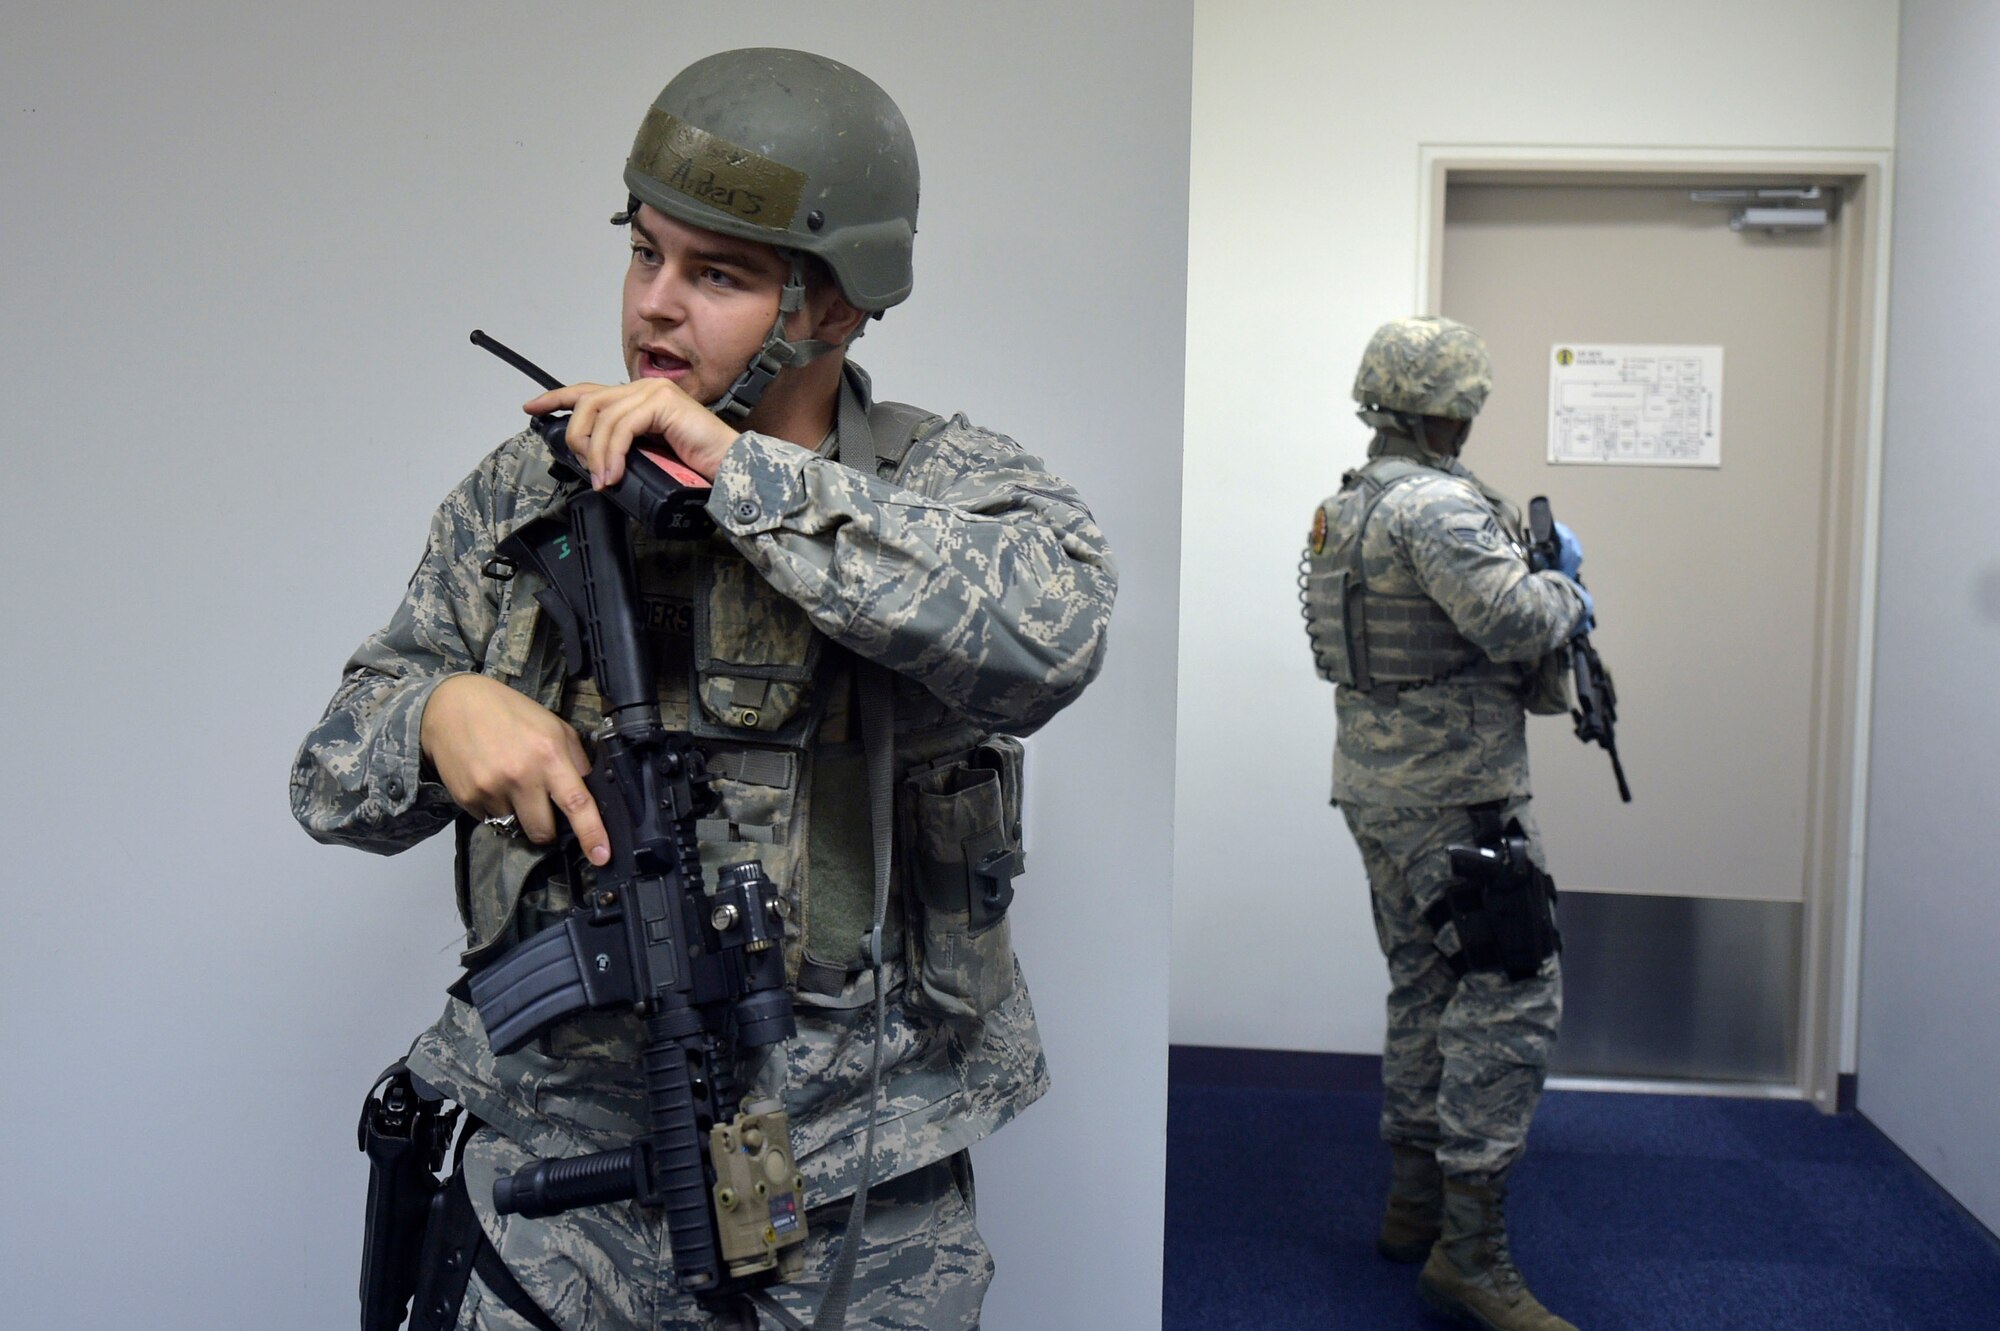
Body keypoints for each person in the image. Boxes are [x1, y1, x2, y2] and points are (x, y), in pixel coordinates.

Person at [293, 47, 1116, 1331]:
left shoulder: (947, 492)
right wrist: (434, 713)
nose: (653, 311)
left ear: (835, 307)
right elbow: (329, 777)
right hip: (555, 1193)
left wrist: (743, 478)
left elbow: (1053, 636)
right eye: (644, 253)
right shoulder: (527, 498)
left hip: (851, 1205)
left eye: (717, 274)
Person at [1300, 316, 1588, 1331]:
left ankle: (1413, 1206)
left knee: (1425, 986)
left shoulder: (1344, 507)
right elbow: (1514, 620)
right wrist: (1565, 589)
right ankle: (1469, 1254)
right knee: (1509, 996)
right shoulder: (1438, 509)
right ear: (1440, 407)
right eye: (1461, 402)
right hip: (1457, 795)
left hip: (1376, 790)